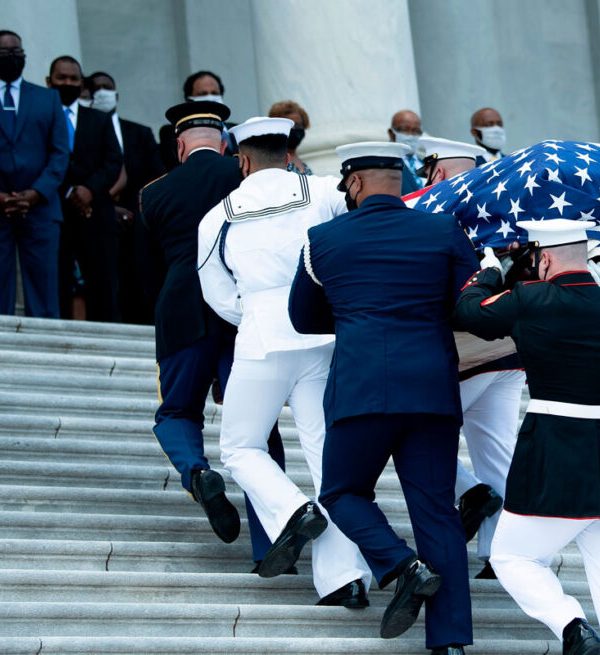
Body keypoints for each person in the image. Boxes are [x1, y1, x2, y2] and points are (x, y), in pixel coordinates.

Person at [289, 141, 476, 653]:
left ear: (353, 182)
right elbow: (467, 307)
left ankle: (401, 565)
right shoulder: (444, 231)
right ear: (400, 180)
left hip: (361, 386)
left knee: (341, 493)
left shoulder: (323, 239)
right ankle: (450, 643)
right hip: (431, 387)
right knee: (436, 511)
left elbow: (302, 318)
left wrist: (356, 316)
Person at [198, 117, 371, 607]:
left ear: (242, 160)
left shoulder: (218, 215)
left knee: (240, 447)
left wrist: (257, 310)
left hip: (261, 337)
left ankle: (293, 509)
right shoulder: (324, 191)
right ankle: (345, 579)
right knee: (327, 459)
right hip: (324, 334)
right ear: (289, 154)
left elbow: (216, 293)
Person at [139, 102, 285, 563]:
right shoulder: (243, 175)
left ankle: (197, 472)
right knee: (258, 428)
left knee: (177, 411)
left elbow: (148, 264)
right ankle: (271, 543)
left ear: (180, 146)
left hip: (181, 310)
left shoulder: (154, 192)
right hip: (241, 310)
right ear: (225, 144)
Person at [455, 219, 600, 655]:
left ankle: (573, 628)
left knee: (511, 556)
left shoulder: (530, 298)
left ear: (545, 258)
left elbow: (468, 312)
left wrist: (489, 272)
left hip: (555, 445)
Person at [410, 136, 526, 578]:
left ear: (437, 171)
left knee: (410, 431)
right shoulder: (509, 205)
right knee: (496, 450)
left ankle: (471, 492)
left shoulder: (435, 210)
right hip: (510, 348)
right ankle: (500, 552)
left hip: (465, 348)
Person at [47, 55, 123, 322]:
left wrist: (90, 189)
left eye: (73, 78)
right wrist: (69, 191)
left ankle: (109, 332)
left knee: (102, 278)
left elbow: (113, 160)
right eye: (61, 78)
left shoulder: (98, 119)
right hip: (55, 209)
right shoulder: (43, 116)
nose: (67, 83)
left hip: (96, 210)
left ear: (81, 84)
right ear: (49, 82)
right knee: (58, 277)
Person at [0, 29, 69, 318]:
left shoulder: (48, 99)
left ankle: (47, 339)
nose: (12, 57)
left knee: (43, 289)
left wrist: (36, 193)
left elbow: (60, 153)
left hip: (41, 207)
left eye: (17, 52)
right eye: (5, 52)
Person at [88, 71, 165, 324]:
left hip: (137, 217)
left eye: (107, 86)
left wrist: (137, 207)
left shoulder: (139, 133)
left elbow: (156, 176)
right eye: (96, 87)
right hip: (94, 214)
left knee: (139, 274)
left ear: (117, 94)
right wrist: (107, 206)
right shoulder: (82, 131)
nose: (102, 91)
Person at [159, 70, 226, 171]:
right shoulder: (173, 132)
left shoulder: (235, 130)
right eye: (203, 94)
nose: (210, 97)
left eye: (214, 93)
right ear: (189, 98)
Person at [268, 100, 312, 175]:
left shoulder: (302, 162)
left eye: (299, 125)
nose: (296, 129)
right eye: (291, 126)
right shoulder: (272, 162)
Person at [388, 109, 424, 187]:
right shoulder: (385, 165)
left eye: (416, 131)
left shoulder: (428, 165)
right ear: (391, 134)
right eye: (405, 130)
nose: (411, 135)